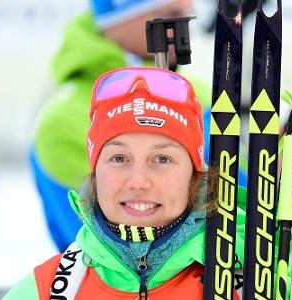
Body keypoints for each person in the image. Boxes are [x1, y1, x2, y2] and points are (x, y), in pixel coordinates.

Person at [5, 67, 245, 299]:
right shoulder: (47, 290)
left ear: (195, 174)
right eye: (119, 158)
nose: (138, 181)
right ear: (95, 173)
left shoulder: (253, 279)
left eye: (162, 159)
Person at [29, 0, 213, 252]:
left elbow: (246, 199)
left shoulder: (195, 95)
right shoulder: (62, 120)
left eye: (187, 16)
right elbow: (107, 246)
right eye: (171, 16)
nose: (185, 32)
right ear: (122, 14)